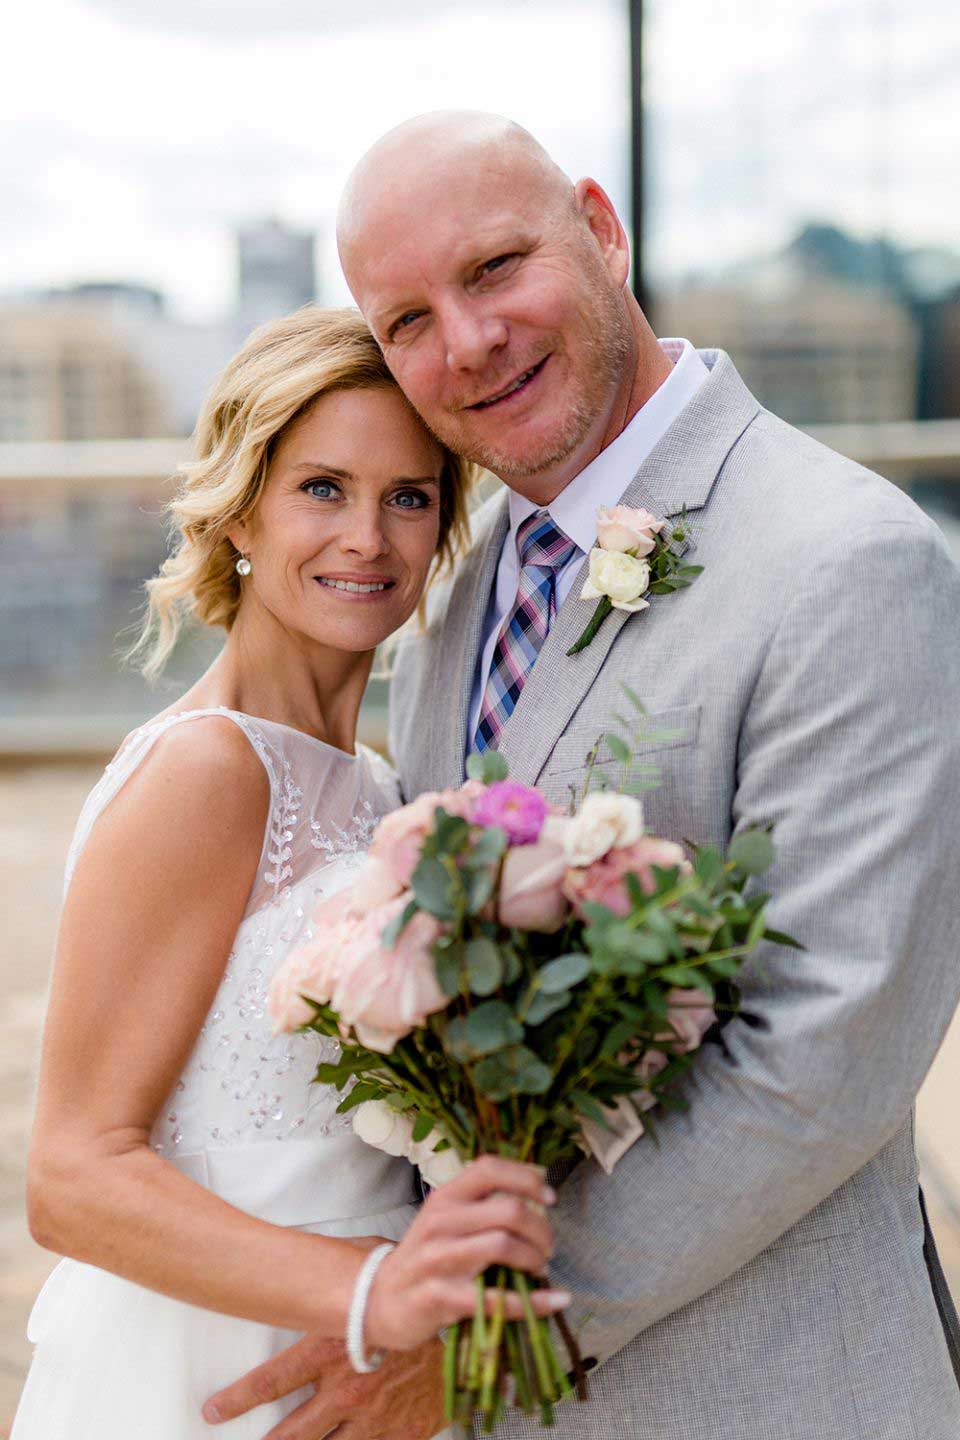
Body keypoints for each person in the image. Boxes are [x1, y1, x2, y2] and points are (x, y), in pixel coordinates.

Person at [205, 113, 960, 1440]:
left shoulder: (852, 563)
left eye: (496, 269)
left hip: (767, 1392)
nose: (469, 341)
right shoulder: (450, 572)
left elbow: (825, 1047)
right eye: (408, 321)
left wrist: (482, 1342)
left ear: (602, 230)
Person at [11, 305, 569, 1440]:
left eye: (407, 497)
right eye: (322, 487)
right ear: (241, 512)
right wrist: (372, 1296)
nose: (367, 536)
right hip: (212, 1368)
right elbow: (70, 1179)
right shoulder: (206, 771)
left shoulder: (379, 788)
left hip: (371, 1373)